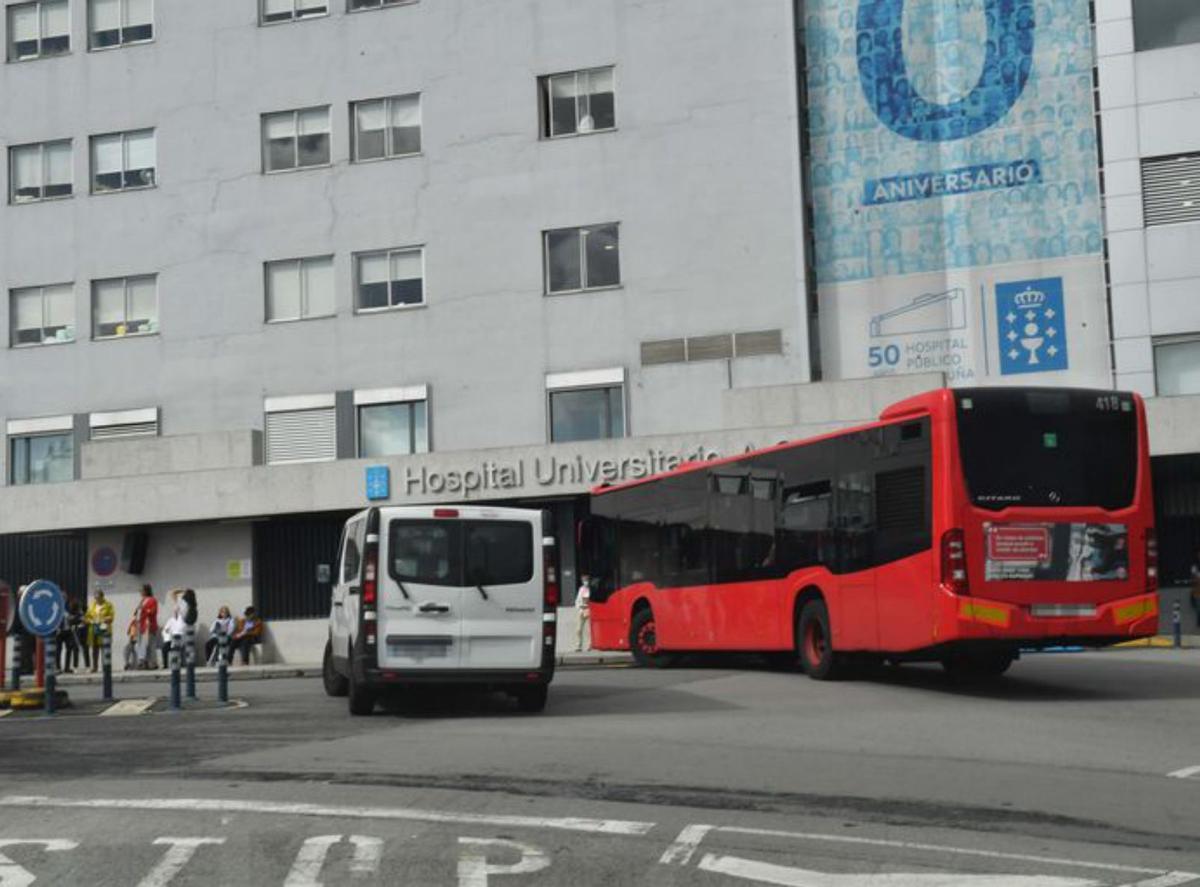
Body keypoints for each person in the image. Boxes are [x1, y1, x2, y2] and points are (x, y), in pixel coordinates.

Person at [84, 588, 115, 673]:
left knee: (105, 648)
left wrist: (103, 619)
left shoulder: (108, 605)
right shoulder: (92, 606)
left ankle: (106, 667)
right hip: (94, 629)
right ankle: (95, 667)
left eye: (98, 598)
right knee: (95, 649)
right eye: (95, 598)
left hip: (104, 628)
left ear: (102, 597)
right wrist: (90, 621)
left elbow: (111, 617)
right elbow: (87, 617)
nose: (97, 599)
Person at [56, 595, 83, 674]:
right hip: (59, 631)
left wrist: (72, 618)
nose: (63, 600)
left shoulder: (69, 607)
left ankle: (67, 667)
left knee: (69, 649)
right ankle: (58, 668)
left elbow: (77, 615)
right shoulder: (56, 607)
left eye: (64, 598)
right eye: (62, 598)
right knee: (58, 650)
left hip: (68, 630)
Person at [137, 584, 159, 669]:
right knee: (142, 645)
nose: (140, 592)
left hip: (149, 625)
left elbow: (153, 611)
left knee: (150, 645)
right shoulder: (142, 601)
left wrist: (144, 610)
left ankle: (153, 663)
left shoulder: (152, 600)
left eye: (141, 590)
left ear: (146, 591)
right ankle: (144, 663)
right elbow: (138, 611)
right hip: (142, 626)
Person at [574, 574, 591, 652]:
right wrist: (579, 608)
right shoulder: (581, 589)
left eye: (586, 580)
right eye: (584, 580)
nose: (585, 582)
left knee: (589, 630)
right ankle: (579, 645)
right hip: (581, 610)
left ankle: (590, 645)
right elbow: (578, 600)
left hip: (588, 610)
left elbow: (589, 600)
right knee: (578, 629)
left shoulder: (590, 589)